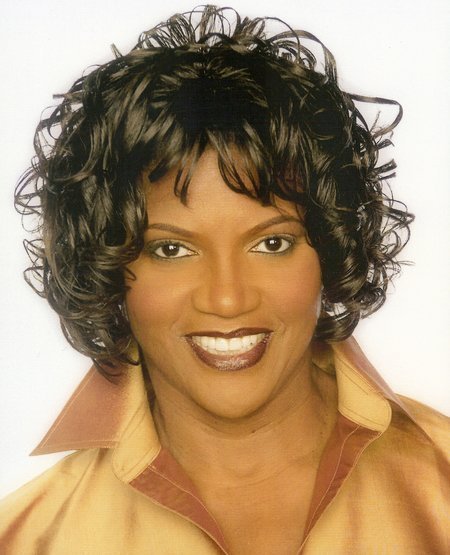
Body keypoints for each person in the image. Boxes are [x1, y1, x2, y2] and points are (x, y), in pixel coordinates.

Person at [1, 5, 448, 554]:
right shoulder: (28, 540)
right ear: (107, 268)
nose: (228, 299)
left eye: (271, 243)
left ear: (333, 250)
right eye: (171, 249)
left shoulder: (441, 488)